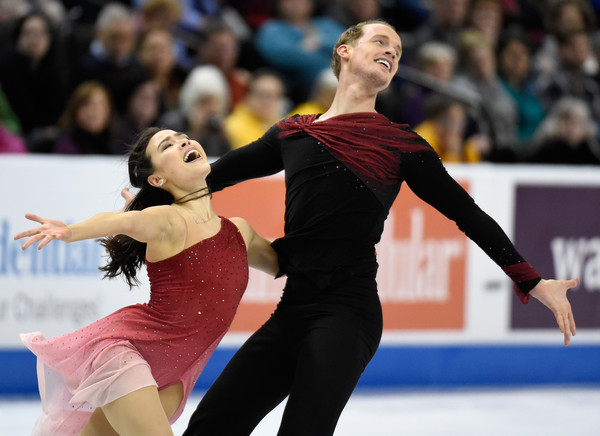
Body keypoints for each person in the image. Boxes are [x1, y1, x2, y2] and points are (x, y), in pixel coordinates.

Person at [182, 20, 578, 436]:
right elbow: (212, 177)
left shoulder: (401, 144)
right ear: (344, 51)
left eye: (399, 50)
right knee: (209, 426)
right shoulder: (293, 133)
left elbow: (469, 214)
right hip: (292, 309)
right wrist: (146, 198)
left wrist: (531, 280)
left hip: (348, 314)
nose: (392, 51)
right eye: (381, 42)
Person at [15, 127, 279, 435]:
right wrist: (72, 231)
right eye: (167, 145)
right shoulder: (168, 221)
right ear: (157, 179)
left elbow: (283, 264)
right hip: (128, 354)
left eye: (183, 137)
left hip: (176, 373)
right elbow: (122, 221)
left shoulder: (239, 231)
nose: (183, 141)